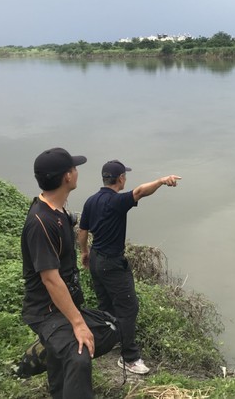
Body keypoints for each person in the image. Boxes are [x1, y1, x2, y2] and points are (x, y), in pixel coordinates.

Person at [21, 147, 120, 399]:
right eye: (74, 168)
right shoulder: (40, 222)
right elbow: (50, 279)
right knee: (78, 357)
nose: (77, 172)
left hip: (65, 306)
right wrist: (78, 324)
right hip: (46, 311)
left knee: (111, 327)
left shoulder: (59, 212)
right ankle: (49, 348)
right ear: (67, 177)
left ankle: (54, 355)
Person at [77, 159, 181, 375]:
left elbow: (83, 231)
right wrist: (162, 181)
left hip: (96, 258)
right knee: (128, 308)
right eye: (125, 176)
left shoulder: (91, 201)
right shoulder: (116, 201)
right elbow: (141, 191)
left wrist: (85, 252)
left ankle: (107, 341)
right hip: (112, 262)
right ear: (121, 178)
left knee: (106, 304)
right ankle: (129, 358)